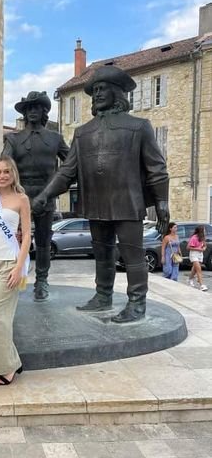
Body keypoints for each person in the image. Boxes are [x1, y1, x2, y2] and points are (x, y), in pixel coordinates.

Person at [33, 65, 170, 323]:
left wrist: (162, 202)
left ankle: (137, 303)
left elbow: (157, 168)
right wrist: (45, 195)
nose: (96, 94)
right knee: (102, 253)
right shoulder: (82, 132)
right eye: (94, 90)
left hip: (128, 203)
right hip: (96, 203)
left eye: (102, 89)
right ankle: (102, 295)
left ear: (117, 92)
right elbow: (66, 172)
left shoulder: (139, 127)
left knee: (132, 255)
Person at [2, 91, 69, 302]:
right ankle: (10, 277)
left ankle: (41, 280)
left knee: (43, 242)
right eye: (28, 108)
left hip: (46, 198)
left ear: (44, 111)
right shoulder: (13, 138)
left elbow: (70, 166)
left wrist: (54, 190)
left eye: (36, 107)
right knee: (12, 240)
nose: (32, 111)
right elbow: (2, 166)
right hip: (18, 198)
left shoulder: (55, 138)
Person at [0, 156, 31, 385]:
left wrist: (19, 267)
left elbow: (27, 235)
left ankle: (7, 367)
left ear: (13, 174)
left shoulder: (22, 199)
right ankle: (4, 361)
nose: (2, 176)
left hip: (10, 263)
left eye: (6, 172)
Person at [187, 225, 208, 291]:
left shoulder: (203, 237)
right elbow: (188, 247)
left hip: (200, 254)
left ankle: (190, 279)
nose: (205, 231)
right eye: (204, 230)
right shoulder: (194, 237)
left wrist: (204, 248)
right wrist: (198, 249)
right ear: (201, 231)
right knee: (199, 269)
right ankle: (201, 285)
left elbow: (205, 245)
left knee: (195, 269)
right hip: (194, 254)